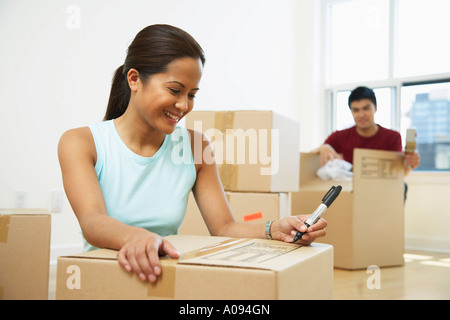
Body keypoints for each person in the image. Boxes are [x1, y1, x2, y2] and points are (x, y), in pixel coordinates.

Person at [58, 24, 327, 284]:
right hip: (102, 278)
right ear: (134, 79)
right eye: (175, 90)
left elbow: (224, 227)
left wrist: (275, 228)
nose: (184, 105)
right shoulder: (82, 142)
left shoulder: (196, 147)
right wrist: (135, 237)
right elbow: (92, 222)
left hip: (164, 278)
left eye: (192, 94)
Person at [315, 86, 420, 176]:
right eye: (356, 110)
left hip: (381, 187)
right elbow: (311, 155)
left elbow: (397, 175)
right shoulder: (339, 136)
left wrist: (409, 165)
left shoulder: (392, 137)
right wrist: (323, 147)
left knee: (403, 187)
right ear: (351, 111)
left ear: (375, 108)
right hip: (349, 190)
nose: (361, 115)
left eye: (366, 108)